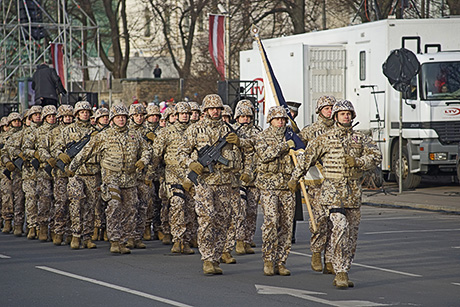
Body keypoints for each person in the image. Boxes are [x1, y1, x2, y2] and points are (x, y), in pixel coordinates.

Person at [289, 100, 382, 288]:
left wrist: (359, 162)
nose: (346, 116)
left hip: (353, 194)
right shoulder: (324, 138)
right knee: (339, 228)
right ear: (335, 117)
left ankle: (344, 267)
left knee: (351, 236)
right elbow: (307, 158)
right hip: (333, 192)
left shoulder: (360, 138)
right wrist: (294, 178)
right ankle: (340, 273)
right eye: (342, 113)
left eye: (349, 113)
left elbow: (376, 156)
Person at [68, 104, 151, 254]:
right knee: (114, 206)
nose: (121, 120)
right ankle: (114, 240)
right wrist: (72, 167)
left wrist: (143, 160)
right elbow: (86, 152)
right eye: (118, 117)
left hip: (130, 179)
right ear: (113, 119)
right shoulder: (103, 136)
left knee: (131, 209)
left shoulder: (135, 135)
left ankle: (123, 240)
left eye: (123, 117)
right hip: (111, 177)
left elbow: (147, 149)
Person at [178, 94, 242, 275]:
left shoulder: (229, 130)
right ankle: (206, 258)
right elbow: (181, 152)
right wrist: (191, 163)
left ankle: (216, 257)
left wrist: (239, 143)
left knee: (223, 221)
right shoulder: (194, 130)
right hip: (205, 183)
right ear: (205, 111)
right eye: (212, 109)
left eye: (218, 109)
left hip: (225, 182)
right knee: (207, 219)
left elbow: (248, 148)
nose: (215, 111)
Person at [254, 106, 296, 276]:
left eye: (283, 119)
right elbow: (265, 155)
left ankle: (281, 261)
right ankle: (269, 259)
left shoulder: (292, 136)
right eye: (277, 118)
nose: (280, 121)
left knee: (286, 225)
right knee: (271, 222)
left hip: (287, 186)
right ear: (270, 120)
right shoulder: (261, 137)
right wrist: (285, 146)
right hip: (269, 185)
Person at [298, 95, 336, 273]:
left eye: (331, 108)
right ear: (319, 110)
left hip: (336, 182)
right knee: (319, 220)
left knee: (335, 223)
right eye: (326, 108)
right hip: (316, 183)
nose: (329, 111)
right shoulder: (310, 131)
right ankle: (316, 252)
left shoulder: (340, 130)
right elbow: (298, 150)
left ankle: (330, 259)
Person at [54, 101, 99, 249]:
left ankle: (87, 236)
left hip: (92, 173)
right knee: (75, 203)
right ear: (77, 114)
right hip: (75, 173)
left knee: (90, 206)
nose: (85, 114)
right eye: (82, 112)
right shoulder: (68, 131)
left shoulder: (95, 132)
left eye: (87, 112)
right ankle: (75, 235)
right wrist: (61, 155)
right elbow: (56, 148)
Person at [152, 101, 195, 255]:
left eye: (186, 113)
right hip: (173, 175)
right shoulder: (165, 132)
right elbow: (156, 155)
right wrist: (150, 174)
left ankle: (187, 240)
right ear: (175, 116)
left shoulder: (195, 131)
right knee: (177, 204)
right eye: (181, 113)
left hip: (192, 176)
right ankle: (177, 239)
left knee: (190, 208)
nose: (184, 116)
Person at [1, 112, 25, 236]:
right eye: (14, 121)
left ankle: (19, 224)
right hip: (9, 171)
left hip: (22, 171)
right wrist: (7, 162)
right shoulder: (5, 137)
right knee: (7, 197)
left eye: (19, 121)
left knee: (20, 198)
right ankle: (7, 221)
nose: (17, 123)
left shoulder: (24, 133)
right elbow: (4, 153)